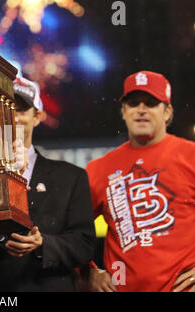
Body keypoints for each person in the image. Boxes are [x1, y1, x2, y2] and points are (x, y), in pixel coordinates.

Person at [0, 77, 96, 291]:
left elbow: (84, 246)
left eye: (20, 110)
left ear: (37, 116)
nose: (12, 117)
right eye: (4, 108)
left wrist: (43, 244)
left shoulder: (71, 177)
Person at [85, 70, 195, 292]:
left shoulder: (191, 156)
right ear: (123, 112)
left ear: (168, 112)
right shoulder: (99, 169)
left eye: (151, 103)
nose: (142, 110)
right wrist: (88, 272)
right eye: (134, 103)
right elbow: (71, 229)